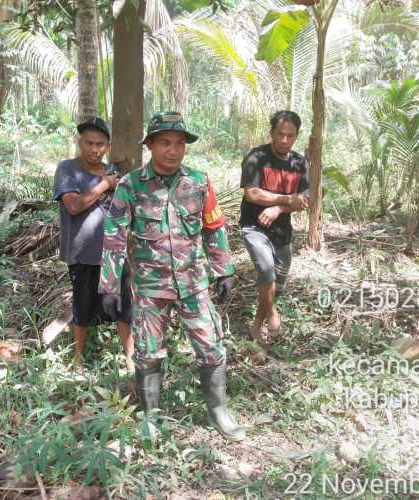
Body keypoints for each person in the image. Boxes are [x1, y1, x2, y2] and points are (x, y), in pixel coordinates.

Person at [98, 111, 245, 441]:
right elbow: (114, 235)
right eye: (165, 142)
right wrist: (109, 285)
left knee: (211, 346)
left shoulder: (199, 182)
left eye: (179, 143)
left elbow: (213, 227)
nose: (173, 150)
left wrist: (224, 269)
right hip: (151, 287)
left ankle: (219, 411)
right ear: (150, 144)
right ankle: (151, 416)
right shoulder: (130, 186)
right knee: (148, 352)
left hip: (194, 284)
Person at [52, 117, 134, 374]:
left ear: (107, 146)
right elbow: (73, 205)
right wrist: (104, 185)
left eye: (100, 144)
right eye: (89, 143)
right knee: (82, 306)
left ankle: (130, 360)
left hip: (113, 253)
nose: (94, 149)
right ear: (80, 143)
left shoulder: (114, 174)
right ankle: (78, 361)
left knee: (122, 307)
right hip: (82, 253)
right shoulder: (68, 170)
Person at [239, 110, 309, 344]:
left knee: (277, 283)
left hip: (282, 232)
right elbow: (252, 193)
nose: (285, 140)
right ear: (272, 133)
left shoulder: (299, 163)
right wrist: (286, 199)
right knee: (266, 269)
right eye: (280, 134)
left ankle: (257, 325)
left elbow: (304, 200)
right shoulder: (256, 157)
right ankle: (272, 314)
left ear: (296, 136)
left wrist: (278, 209)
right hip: (254, 227)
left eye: (291, 136)